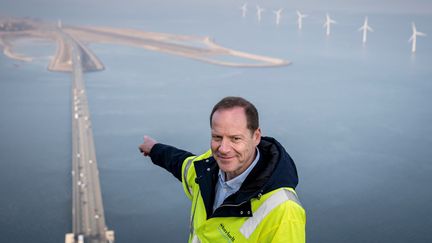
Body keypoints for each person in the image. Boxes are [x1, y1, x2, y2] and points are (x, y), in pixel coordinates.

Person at [139, 96, 306, 243]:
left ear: (256, 137)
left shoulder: (284, 210)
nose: (224, 149)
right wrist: (154, 149)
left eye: (235, 138)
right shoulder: (205, 168)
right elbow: (181, 163)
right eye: (217, 137)